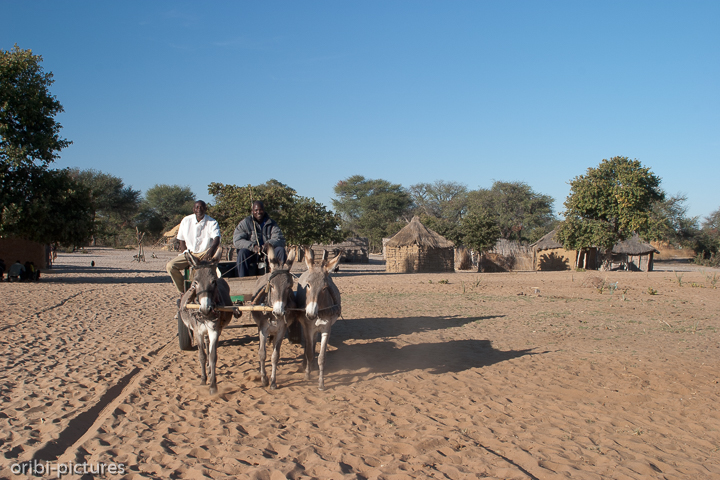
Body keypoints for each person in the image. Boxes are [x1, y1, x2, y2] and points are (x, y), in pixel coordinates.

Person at [166, 200, 222, 296]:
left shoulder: (212, 222)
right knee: (170, 266)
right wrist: (186, 253)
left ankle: (212, 292)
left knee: (215, 272)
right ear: (193, 209)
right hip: (190, 252)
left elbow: (216, 239)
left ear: (205, 209)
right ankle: (183, 291)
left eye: (201, 207)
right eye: (197, 207)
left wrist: (210, 252)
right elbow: (181, 240)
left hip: (205, 252)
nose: (199, 209)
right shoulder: (186, 220)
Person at [233, 200, 286, 277]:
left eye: (260, 210)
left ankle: (280, 277)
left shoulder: (272, 223)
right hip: (252, 253)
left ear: (264, 210)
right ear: (252, 211)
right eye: (256, 210)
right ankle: (242, 278)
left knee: (281, 250)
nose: (258, 212)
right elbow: (237, 240)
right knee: (242, 252)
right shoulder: (245, 223)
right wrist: (253, 246)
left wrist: (269, 245)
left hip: (268, 253)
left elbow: (280, 238)